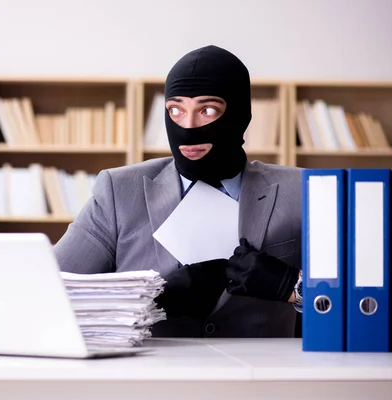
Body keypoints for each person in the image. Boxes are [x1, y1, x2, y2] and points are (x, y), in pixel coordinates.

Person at [54, 45, 303, 338]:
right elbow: (46, 295)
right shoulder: (118, 192)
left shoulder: (301, 190)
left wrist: (293, 287)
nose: (188, 126)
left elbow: (364, 305)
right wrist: (149, 300)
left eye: (208, 110)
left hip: (264, 379)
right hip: (152, 378)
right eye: (176, 109)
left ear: (240, 115)